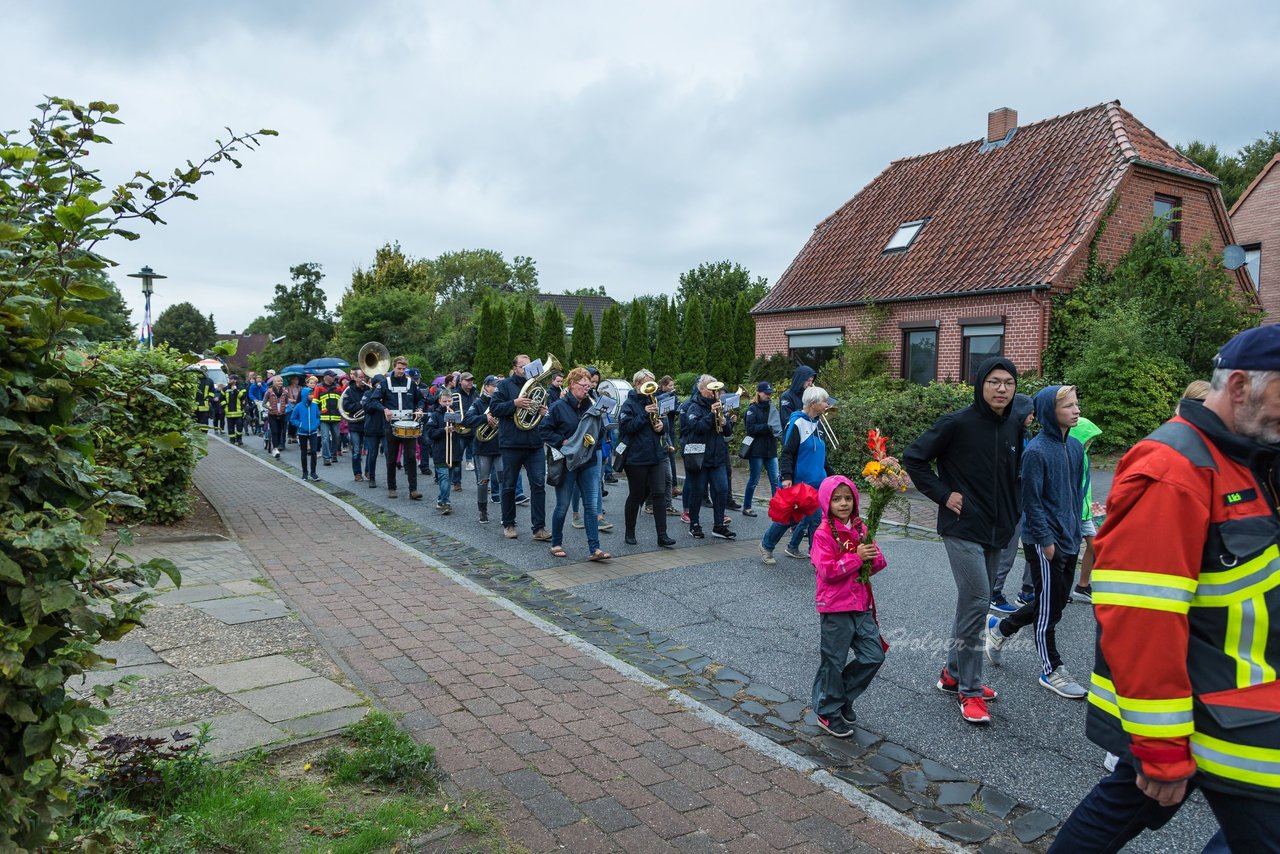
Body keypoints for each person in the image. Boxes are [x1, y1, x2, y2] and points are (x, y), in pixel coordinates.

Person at [1049, 326, 1280, 853]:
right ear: (1241, 386)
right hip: (1215, 707)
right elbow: (1141, 615)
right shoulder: (1175, 469)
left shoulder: (1250, 456)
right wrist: (1161, 744)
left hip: (1231, 698)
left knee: (1125, 805)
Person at [903, 356, 1022, 725]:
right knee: (977, 602)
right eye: (994, 382)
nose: (1002, 389)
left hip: (998, 529)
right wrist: (943, 494)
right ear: (981, 384)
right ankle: (969, 691)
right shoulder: (957, 422)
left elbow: (1013, 474)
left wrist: (1015, 512)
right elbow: (914, 458)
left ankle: (953, 674)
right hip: (962, 526)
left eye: (1008, 383)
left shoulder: (1016, 424)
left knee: (973, 602)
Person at [984, 385, 1087, 699]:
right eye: (1068, 405)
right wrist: (1045, 538)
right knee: (1048, 609)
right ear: (1049, 412)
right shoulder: (1037, 451)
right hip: (1044, 541)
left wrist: (1079, 528)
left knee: (1053, 603)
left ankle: (1001, 629)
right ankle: (1051, 668)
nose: (1076, 410)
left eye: (1076, 404)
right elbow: (1032, 501)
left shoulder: (1075, 448)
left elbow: (1076, 492)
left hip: (1069, 537)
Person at [810, 475, 888, 738]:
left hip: (861, 605)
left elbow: (875, 564)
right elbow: (827, 571)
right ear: (826, 501)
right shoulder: (822, 534)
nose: (843, 503)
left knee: (873, 655)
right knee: (834, 661)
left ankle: (841, 697)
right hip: (835, 607)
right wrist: (856, 558)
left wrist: (872, 556)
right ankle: (828, 711)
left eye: (848, 498)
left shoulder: (861, 528)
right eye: (836, 498)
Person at [542, 367, 611, 561]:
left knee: (590, 506)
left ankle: (595, 549)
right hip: (567, 462)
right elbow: (544, 431)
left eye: (589, 386)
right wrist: (564, 441)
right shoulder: (558, 406)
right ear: (572, 384)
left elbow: (601, 430)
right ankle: (556, 543)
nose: (587, 389)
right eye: (583, 385)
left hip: (588, 461)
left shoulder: (592, 404)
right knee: (563, 505)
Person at [760, 386, 834, 564]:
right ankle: (766, 545)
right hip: (800, 484)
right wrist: (786, 477)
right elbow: (787, 453)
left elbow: (822, 456)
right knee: (789, 519)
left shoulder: (819, 424)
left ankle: (816, 556)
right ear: (813, 403)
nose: (827, 405)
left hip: (818, 482)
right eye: (824, 401)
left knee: (816, 520)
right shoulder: (797, 423)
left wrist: (833, 477)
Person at [489, 354, 550, 541]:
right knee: (508, 485)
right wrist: (514, 404)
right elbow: (495, 408)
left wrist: (542, 411)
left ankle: (539, 528)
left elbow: (544, 411)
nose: (526, 369)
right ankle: (508, 524)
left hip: (534, 443)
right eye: (522, 366)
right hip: (511, 443)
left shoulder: (538, 386)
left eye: (528, 365)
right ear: (515, 368)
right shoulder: (505, 385)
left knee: (539, 485)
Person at [618, 370, 677, 548]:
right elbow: (627, 428)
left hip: (656, 455)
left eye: (652, 384)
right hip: (636, 457)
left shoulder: (657, 401)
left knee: (659, 494)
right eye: (646, 384)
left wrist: (661, 427)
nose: (650, 388)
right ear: (637, 385)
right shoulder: (628, 404)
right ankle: (630, 532)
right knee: (636, 495)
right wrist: (644, 414)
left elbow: (665, 424)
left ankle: (662, 535)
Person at [990, 393, 1036, 615]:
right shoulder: (1009, 435)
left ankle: (1024, 591)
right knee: (1006, 550)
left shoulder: (1026, 434)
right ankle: (993, 593)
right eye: (1029, 411)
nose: (1033, 416)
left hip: (1023, 500)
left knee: (1021, 547)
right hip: (1009, 503)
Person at [680, 375, 737, 540]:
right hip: (700, 456)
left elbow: (728, 433)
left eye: (716, 388)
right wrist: (712, 415)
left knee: (721, 490)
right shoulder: (694, 406)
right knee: (697, 491)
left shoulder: (720, 405)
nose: (715, 392)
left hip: (717, 456)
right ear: (701, 389)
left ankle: (719, 525)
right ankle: (694, 524)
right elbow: (696, 427)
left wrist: (726, 423)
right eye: (711, 388)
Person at [364, 356, 424, 500]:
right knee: (391, 458)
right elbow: (373, 401)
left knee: (410, 457)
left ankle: (413, 490)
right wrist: (384, 409)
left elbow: (420, 399)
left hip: (409, 424)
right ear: (394, 367)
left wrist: (420, 408)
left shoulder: (411, 383)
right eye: (398, 368)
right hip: (390, 425)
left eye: (403, 369)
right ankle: (392, 488)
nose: (401, 371)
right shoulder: (385, 383)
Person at [1068, 416, 1103, 602]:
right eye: (1087, 438)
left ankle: (1082, 586)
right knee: (1066, 553)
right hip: (1073, 513)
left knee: (1095, 546)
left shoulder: (1084, 455)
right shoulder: (1070, 456)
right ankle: (1060, 588)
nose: (1090, 441)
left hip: (1084, 513)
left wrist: (1091, 507)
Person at [742, 381, 782, 517]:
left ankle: (776, 508)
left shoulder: (772, 407)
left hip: (770, 449)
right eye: (766, 393)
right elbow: (750, 429)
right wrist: (767, 427)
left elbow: (777, 425)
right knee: (754, 480)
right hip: (756, 450)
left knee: (775, 480)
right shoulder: (752, 409)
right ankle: (747, 507)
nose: (768, 396)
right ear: (759, 392)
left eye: (770, 393)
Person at [426, 390, 463, 514]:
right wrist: (444, 430)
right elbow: (430, 433)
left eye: (449, 401)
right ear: (439, 401)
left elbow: (463, 430)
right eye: (444, 401)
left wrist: (458, 426)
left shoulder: (456, 413)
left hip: (454, 451)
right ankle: (445, 502)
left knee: (449, 477)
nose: (447, 404)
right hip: (441, 452)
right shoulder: (435, 415)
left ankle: (441, 500)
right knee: (444, 478)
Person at [289, 383, 321, 481]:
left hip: (313, 432)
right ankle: (305, 473)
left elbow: (318, 417)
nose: (312, 396)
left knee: (314, 452)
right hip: (302, 432)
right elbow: (293, 419)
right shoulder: (298, 406)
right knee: (303, 453)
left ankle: (313, 472)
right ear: (304, 395)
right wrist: (300, 425)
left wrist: (315, 425)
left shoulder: (315, 406)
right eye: (309, 394)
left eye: (312, 394)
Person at [342, 369, 370, 482]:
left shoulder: (368, 389)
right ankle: (357, 473)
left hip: (368, 423)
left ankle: (369, 471)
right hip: (355, 424)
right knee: (356, 451)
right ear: (355, 378)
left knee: (370, 450)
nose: (362, 379)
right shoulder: (349, 391)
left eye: (364, 377)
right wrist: (360, 404)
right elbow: (346, 407)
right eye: (360, 377)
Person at [359, 373, 385, 489]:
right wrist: (377, 399)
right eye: (379, 384)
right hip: (371, 428)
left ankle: (391, 479)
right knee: (372, 454)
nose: (381, 386)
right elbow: (367, 409)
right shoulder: (367, 394)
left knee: (389, 453)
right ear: (374, 384)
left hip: (385, 428)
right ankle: (372, 477)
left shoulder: (387, 394)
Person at [314, 371, 342, 465]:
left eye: (334, 376)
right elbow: (315, 403)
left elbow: (342, 401)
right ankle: (326, 457)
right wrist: (317, 415)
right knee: (325, 438)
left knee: (337, 437)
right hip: (323, 417)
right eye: (332, 376)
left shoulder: (338, 387)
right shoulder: (319, 387)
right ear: (325, 377)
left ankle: (334, 454)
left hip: (336, 417)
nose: (334, 378)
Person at [264, 376, 291, 459]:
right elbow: (264, 403)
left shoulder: (285, 392)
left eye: (281, 381)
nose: (280, 383)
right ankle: (275, 449)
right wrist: (269, 407)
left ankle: (278, 445)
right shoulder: (269, 391)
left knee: (280, 431)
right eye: (278, 381)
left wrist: (285, 406)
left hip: (282, 414)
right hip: (272, 414)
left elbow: (287, 402)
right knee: (274, 431)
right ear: (274, 382)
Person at [457, 371, 478, 474]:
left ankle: (482, 485)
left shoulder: (475, 393)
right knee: (457, 458)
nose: (470, 382)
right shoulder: (455, 394)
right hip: (460, 431)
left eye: (471, 380)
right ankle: (457, 482)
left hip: (474, 430)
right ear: (461, 381)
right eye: (467, 380)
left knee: (478, 458)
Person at [223, 375, 247, 446]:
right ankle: (232, 439)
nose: (230, 380)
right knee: (230, 427)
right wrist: (225, 406)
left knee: (239, 427)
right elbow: (222, 399)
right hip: (229, 412)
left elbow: (243, 397)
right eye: (229, 379)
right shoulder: (225, 389)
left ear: (235, 380)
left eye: (231, 379)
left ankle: (239, 439)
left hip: (239, 412)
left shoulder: (241, 388)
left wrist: (236, 390)